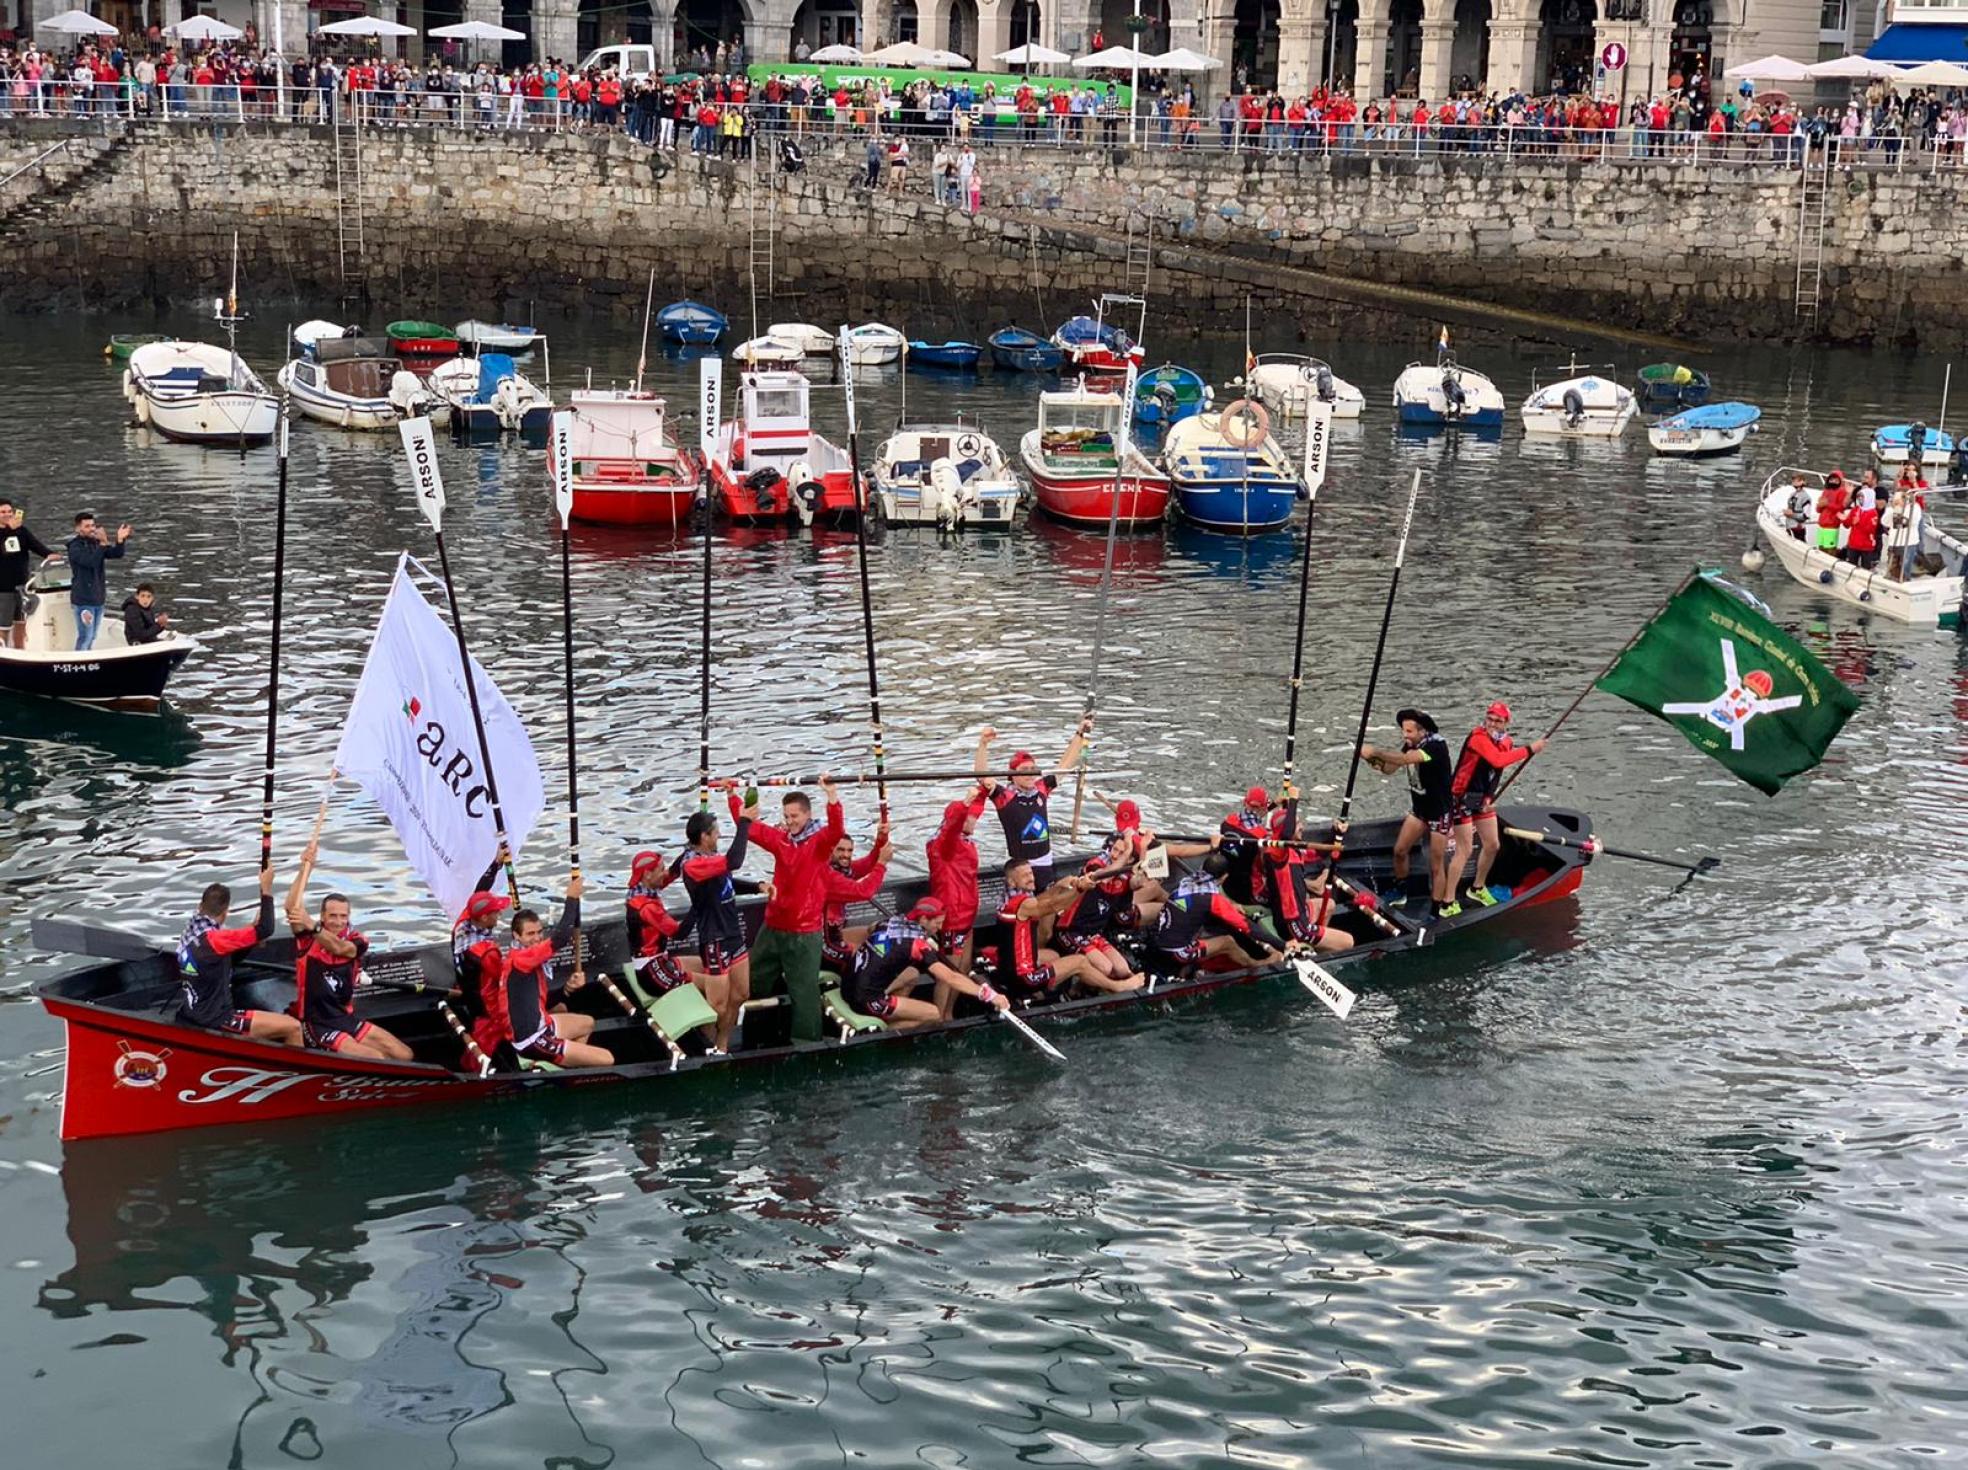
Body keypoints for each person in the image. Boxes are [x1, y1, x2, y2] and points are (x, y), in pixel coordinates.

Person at [283, 835, 412, 1060]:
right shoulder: (307, 939)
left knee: (404, 1054)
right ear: (323, 916)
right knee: (376, 1058)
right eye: (332, 916)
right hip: (317, 1023)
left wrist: (311, 925)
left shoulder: (356, 939)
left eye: (343, 916)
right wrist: (306, 867)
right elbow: (292, 906)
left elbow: (342, 949)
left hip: (345, 1018)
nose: (338, 921)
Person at [744, 775, 845, 1043]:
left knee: (804, 993)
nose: (790, 821)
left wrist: (832, 797)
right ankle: (756, 1036)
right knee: (756, 980)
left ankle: (808, 1043)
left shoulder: (820, 843)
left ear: (808, 815)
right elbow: (750, 829)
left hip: (803, 933)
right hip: (773, 927)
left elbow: (836, 831)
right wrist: (734, 798)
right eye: (786, 816)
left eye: (795, 816)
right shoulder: (781, 840)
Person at [175, 866, 303, 1045]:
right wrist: (266, 888)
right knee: (293, 1027)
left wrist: (250, 936)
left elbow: (224, 959)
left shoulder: (189, 934)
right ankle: (292, 1073)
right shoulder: (216, 940)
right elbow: (266, 928)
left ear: (200, 906)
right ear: (226, 912)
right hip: (218, 1019)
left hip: (192, 1012)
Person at [841, 898, 1009, 1029]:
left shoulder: (889, 922)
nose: (941, 927)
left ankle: (894, 1012)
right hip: (865, 1001)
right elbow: (950, 977)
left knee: (912, 974)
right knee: (933, 1014)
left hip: (847, 987)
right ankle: (886, 1033)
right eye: (937, 923)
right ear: (922, 919)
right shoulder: (917, 945)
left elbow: (870, 929)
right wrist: (989, 995)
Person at [500, 875, 611, 1068]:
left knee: (588, 1023)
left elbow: (538, 1000)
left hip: (541, 1024)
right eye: (529, 934)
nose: (536, 939)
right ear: (516, 936)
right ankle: (562, 1065)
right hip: (532, 1039)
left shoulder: (525, 957)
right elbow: (560, 938)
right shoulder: (521, 959)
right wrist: (571, 898)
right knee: (607, 1059)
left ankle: (567, 1068)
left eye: (539, 932)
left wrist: (567, 989)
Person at [681, 793, 762, 1052]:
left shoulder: (712, 860)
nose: (718, 837)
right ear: (704, 837)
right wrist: (744, 823)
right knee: (717, 1005)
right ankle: (704, 1046)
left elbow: (727, 882)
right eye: (715, 833)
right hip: (714, 939)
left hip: (733, 934)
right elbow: (734, 861)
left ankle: (722, 1044)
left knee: (740, 995)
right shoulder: (693, 864)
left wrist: (756, 886)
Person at [994, 858, 1138, 1001]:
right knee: (1080, 962)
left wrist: (1058, 886)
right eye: (1025, 876)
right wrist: (1080, 889)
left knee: (1053, 956)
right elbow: (1053, 906)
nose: (1031, 878)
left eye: (1031, 873)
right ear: (1012, 882)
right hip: (1024, 978)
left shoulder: (1009, 900)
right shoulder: (1023, 905)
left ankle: (1044, 993)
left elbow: (1039, 900)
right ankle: (1117, 986)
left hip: (1005, 970)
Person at [1445, 702, 1546, 907]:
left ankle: (1477, 888)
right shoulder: (1478, 738)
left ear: (1506, 723)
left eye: (1498, 721)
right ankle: (1447, 901)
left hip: (1480, 799)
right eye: (1489, 719)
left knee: (1492, 845)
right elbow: (1498, 760)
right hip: (1460, 799)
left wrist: (1489, 798)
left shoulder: (1506, 742)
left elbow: (1495, 773)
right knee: (1464, 851)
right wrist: (1529, 749)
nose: (1492, 723)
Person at [975, 717, 1092, 889]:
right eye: (1024, 770)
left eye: (1033, 769)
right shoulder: (1004, 795)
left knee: (1047, 905)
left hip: (1045, 861)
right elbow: (981, 776)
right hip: (1021, 866)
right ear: (1012, 774)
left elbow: (1065, 764)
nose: (1030, 774)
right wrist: (983, 744)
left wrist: (1080, 733)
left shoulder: (1042, 788)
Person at [1360, 708, 1456, 916]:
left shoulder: (1436, 746)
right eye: (1404, 731)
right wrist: (1371, 760)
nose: (1405, 736)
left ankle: (1436, 908)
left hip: (1439, 813)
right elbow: (1390, 768)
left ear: (1422, 731)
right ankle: (1401, 891)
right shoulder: (1410, 745)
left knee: (1436, 864)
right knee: (1400, 850)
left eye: (1409, 732)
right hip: (1420, 809)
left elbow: (1405, 760)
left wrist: (1376, 751)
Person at [1146, 853, 1281, 973]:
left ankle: (1189, 968)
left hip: (1155, 942)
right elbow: (1248, 926)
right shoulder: (1211, 899)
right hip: (1176, 954)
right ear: (1224, 877)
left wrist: (1229, 906)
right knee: (1227, 942)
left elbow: (1201, 904)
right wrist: (1282, 944)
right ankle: (1257, 964)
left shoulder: (1186, 882)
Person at [1052, 846, 1144, 987]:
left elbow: (1138, 883)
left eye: (1121, 852)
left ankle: (1098, 988)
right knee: (1105, 967)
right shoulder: (1095, 864)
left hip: (1093, 934)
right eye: (1115, 850)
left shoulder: (1125, 878)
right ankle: (1076, 992)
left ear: (1131, 859)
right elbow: (1104, 877)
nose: (1115, 855)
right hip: (1070, 930)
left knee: (1122, 969)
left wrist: (1142, 850)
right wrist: (1126, 853)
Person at [925, 781, 990, 974]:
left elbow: (975, 809)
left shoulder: (965, 839)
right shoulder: (944, 844)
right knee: (951, 973)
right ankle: (943, 1006)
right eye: (969, 818)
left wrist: (984, 790)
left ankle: (953, 1004)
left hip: (966, 914)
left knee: (964, 968)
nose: (974, 821)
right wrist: (965, 803)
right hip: (953, 916)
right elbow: (951, 828)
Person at [821, 826, 890, 975]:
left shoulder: (843, 869)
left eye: (849, 850)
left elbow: (870, 861)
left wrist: (881, 837)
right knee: (876, 956)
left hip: (835, 934)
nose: (846, 855)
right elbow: (864, 891)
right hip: (823, 944)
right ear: (830, 850)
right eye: (840, 850)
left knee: (876, 931)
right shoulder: (828, 875)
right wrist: (882, 864)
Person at [64, 511, 131, 652]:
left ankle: (86, 660)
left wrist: (120, 540)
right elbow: (90, 562)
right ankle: (79, 663)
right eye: (87, 526)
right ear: (78, 528)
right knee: (85, 636)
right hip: (83, 600)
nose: (92, 529)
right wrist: (102, 544)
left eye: (93, 525)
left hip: (98, 598)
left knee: (93, 636)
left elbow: (115, 554)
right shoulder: (75, 547)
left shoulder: (95, 544)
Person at [0, 498, 50, 649]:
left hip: (22, 586)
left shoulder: (21, 530)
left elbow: (35, 545)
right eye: (3, 512)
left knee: (20, 624)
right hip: (3, 588)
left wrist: (50, 554)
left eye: (10, 511)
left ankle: (19, 651)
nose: (7, 514)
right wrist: (9, 529)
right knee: (4, 626)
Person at [1782, 474, 1815, 541]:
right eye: (1793, 480)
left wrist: (1792, 515)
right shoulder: (1792, 495)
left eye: (1798, 481)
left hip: (1798, 528)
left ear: (1803, 482)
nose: (1795, 482)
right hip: (1789, 526)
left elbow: (1806, 515)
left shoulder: (1805, 497)